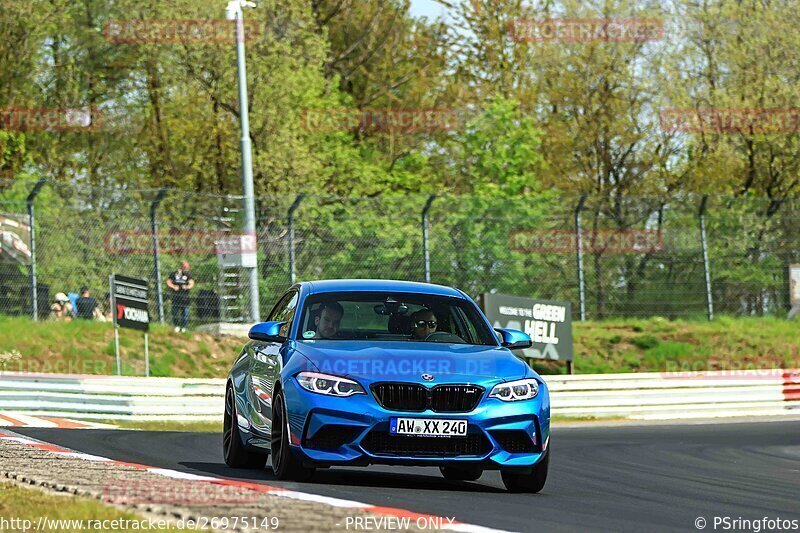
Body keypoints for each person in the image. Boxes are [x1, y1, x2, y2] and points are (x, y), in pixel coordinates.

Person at [166, 260, 194, 333]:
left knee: (185, 312)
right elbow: (168, 282)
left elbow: (192, 283)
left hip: (185, 297)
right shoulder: (174, 273)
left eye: (187, 266)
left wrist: (187, 287)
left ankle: (184, 327)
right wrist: (173, 286)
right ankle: (177, 326)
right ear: (182, 266)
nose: (186, 268)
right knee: (175, 312)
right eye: (185, 266)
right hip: (176, 296)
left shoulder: (188, 275)